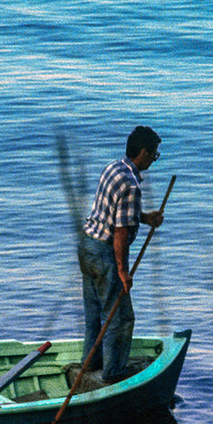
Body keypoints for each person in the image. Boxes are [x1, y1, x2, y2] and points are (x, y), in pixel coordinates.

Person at [77, 126, 164, 383]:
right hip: (104, 253)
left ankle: (90, 363)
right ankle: (113, 374)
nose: (154, 160)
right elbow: (121, 233)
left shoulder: (114, 168)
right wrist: (123, 272)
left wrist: (146, 218)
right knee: (120, 316)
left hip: (87, 245)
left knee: (95, 313)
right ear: (144, 152)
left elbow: (112, 211)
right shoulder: (132, 185)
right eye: (154, 155)